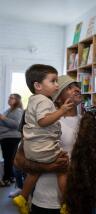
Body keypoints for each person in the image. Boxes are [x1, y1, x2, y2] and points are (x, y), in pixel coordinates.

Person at [14, 75, 82, 214]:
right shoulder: (44, 123)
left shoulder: (87, 121)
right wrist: (48, 166)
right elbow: (18, 160)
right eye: (69, 88)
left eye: (77, 86)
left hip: (78, 198)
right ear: (57, 97)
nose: (77, 89)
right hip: (46, 202)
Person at [0, 93, 23, 186]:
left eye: (12, 98)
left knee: (8, 159)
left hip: (11, 137)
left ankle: (6, 179)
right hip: (5, 137)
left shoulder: (17, 111)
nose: (9, 99)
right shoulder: (8, 110)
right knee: (9, 159)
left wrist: (3, 118)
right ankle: (12, 177)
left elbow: (16, 125)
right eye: (9, 97)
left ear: (17, 100)